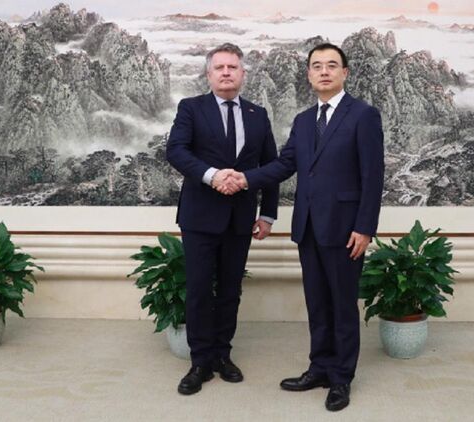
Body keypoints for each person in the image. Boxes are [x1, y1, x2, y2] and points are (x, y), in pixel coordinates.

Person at [218, 43, 384, 411]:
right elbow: (284, 165)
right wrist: (245, 178)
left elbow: (373, 177)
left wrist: (365, 227)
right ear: (309, 74)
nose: (324, 71)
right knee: (318, 303)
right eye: (317, 66)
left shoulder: (364, 115)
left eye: (332, 65)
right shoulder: (305, 120)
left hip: (346, 229)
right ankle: (319, 368)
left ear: (345, 73)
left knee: (342, 305)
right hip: (308, 226)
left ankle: (341, 378)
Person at [165, 43, 279, 395]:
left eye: (233, 67)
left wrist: (268, 214)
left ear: (243, 74)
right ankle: (200, 361)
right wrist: (213, 175)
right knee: (199, 290)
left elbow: (271, 166)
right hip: (200, 216)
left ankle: (222, 355)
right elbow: (176, 151)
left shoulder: (258, 114)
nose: (226, 72)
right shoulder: (191, 108)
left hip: (240, 218)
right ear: (208, 74)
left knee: (230, 290)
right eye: (220, 67)